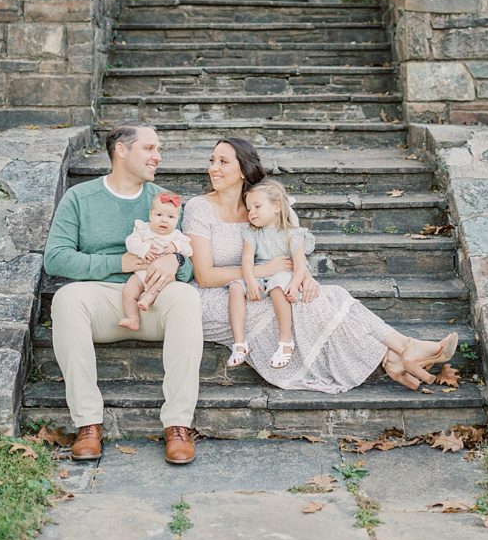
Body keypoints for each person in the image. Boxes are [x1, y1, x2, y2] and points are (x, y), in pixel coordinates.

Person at [182, 137, 457, 393]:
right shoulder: (199, 207)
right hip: (215, 298)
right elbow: (205, 276)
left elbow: (286, 248)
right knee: (306, 304)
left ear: (243, 170)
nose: (213, 168)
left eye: (222, 161)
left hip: (258, 286)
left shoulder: (260, 205)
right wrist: (263, 271)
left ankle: (400, 351)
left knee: (328, 294)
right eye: (212, 161)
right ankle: (395, 354)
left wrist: (304, 276)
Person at [44, 124, 203, 465]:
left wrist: (174, 261)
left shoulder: (163, 201)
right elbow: (55, 257)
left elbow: (190, 269)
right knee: (66, 299)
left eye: (158, 149)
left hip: (153, 300)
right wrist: (119, 261)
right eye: (149, 148)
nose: (157, 156)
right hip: (101, 300)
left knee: (188, 299)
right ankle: (87, 424)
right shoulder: (80, 198)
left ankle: (177, 425)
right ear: (121, 150)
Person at [228, 180, 312, 369]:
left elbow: (300, 265)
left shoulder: (294, 234)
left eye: (257, 206)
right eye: (249, 209)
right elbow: (247, 260)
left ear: (276, 206)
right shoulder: (252, 232)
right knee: (234, 286)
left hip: (283, 272)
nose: (252, 213)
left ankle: (285, 342)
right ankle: (240, 343)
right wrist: (249, 281)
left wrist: (294, 283)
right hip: (259, 271)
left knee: (277, 286)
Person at [120, 191, 193, 330]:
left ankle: (147, 300)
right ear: (150, 215)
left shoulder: (177, 236)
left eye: (171, 217)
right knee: (128, 291)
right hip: (140, 273)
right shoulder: (143, 229)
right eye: (159, 215)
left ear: (177, 220)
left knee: (160, 286)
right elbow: (130, 242)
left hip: (162, 277)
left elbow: (189, 250)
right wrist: (143, 249)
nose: (164, 220)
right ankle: (132, 318)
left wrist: (175, 246)